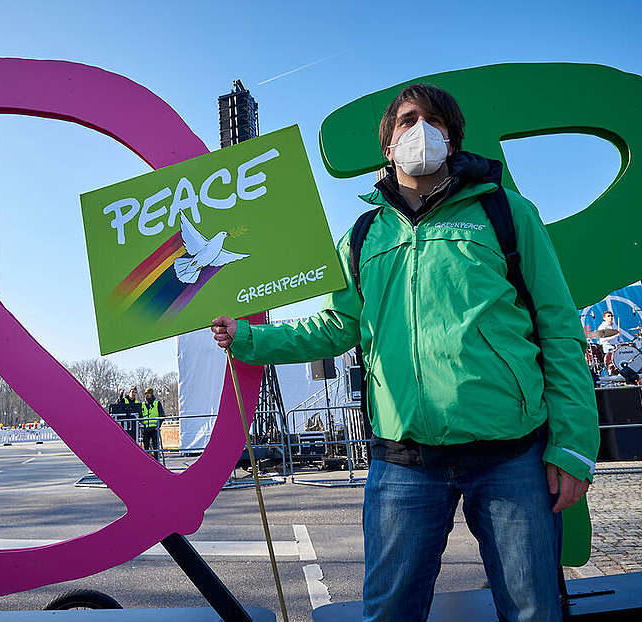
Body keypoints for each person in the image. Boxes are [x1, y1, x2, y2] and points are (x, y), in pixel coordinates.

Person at [212, 84, 599, 622]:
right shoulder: (364, 233)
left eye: (436, 121)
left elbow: (559, 326)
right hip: (404, 460)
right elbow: (336, 326)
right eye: (408, 120)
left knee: (534, 611)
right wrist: (249, 338)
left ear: (453, 139)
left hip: (511, 457)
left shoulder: (507, 212)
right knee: (389, 614)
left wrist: (574, 444)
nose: (423, 129)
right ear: (388, 147)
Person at [139, 388, 164, 457]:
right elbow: (140, 417)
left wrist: (158, 426)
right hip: (146, 429)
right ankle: (147, 463)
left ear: (152, 394)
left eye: (148, 393)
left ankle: (157, 462)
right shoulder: (142, 405)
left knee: (155, 447)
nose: (147, 395)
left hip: (154, 429)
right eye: (146, 393)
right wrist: (142, 425)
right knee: (146, 448)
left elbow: (162, 416)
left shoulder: (157, 403)